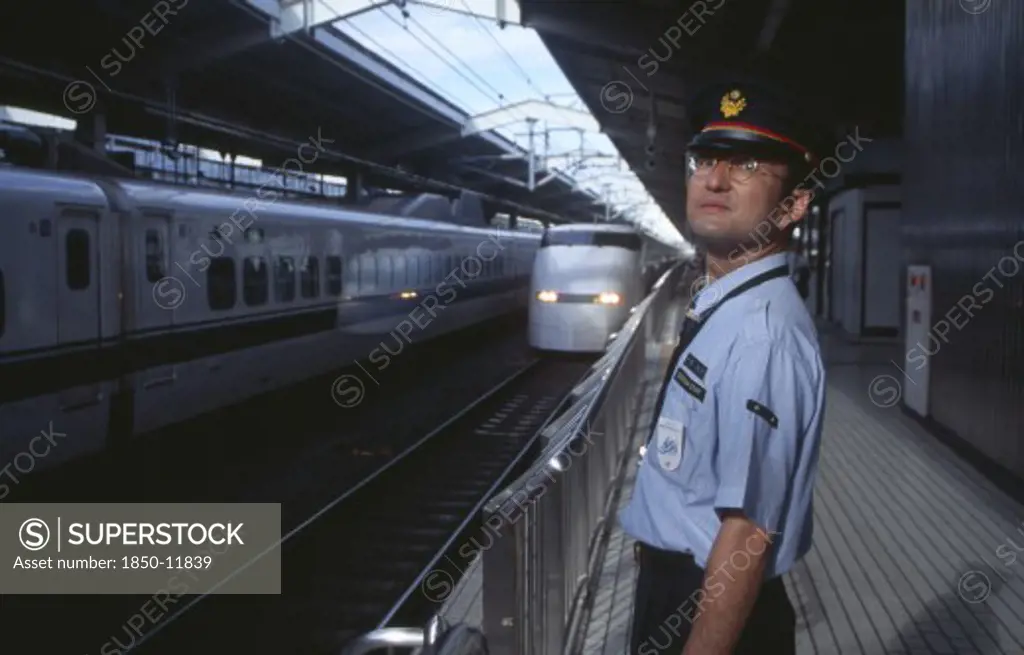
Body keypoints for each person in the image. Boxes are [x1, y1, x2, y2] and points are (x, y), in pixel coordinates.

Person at [618, 78, 828, 655]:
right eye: (706, 158)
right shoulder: (727, 304)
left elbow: (747, 535)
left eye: (747, 164)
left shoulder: (760, 337)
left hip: (708, 602)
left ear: (794, 205)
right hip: (683, 588)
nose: (713, 179)